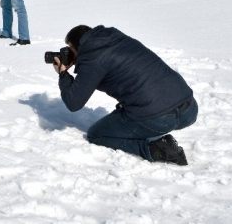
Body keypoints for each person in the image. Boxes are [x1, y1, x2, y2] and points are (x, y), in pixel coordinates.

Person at [53, 25, 198, 165]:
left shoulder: (93, 59)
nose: (69, 53)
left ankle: (155, 149)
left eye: (70, 49)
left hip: (159, 118)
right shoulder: (118, 39)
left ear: (77, 46)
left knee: (96, 135)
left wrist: (63, 74)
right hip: (189, 108)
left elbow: (73, 102)